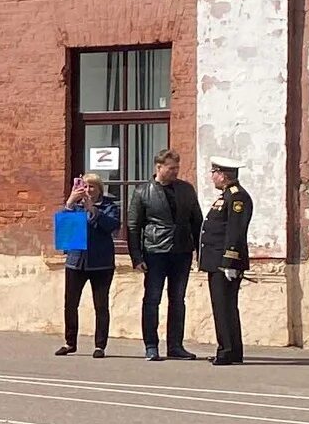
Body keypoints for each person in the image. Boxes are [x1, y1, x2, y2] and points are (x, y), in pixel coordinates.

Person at [124, 149, 202, 362]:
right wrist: (136, 257)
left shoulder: (186, 189)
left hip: (182, 251)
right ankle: (151, 346)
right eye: (171, 168)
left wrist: (199, 252)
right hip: (155, 252)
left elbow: (197, 221)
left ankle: (176, 345)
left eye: (177, 168)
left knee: (178, 299)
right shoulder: (143, 192)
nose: (175, 172)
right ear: (159, 168)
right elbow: (133, 226)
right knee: (152, 299)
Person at [55, 174, 121, 359]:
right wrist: (69, 204)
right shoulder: (75, 206)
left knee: (100, 305)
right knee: (70, 303)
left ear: (99, 189)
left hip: (101, 263)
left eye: (92, 187)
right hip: (76, 262)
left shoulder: (109, 206)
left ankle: (100, 345)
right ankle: (70, 342)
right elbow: (65, 232)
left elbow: (111, 226)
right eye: (85, 186)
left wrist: (93, 210)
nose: (88, 190)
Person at [198, 157, 253, 366]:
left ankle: (227, 351)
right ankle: (231, 350)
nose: (212, 177)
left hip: (225, 262)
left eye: (214, 172)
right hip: (218, 261)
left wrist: (230, 261)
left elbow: (235, 232)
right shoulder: (226, 196)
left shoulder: (237, 197)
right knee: (224, 307)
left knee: (224, 307)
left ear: (223, 174)